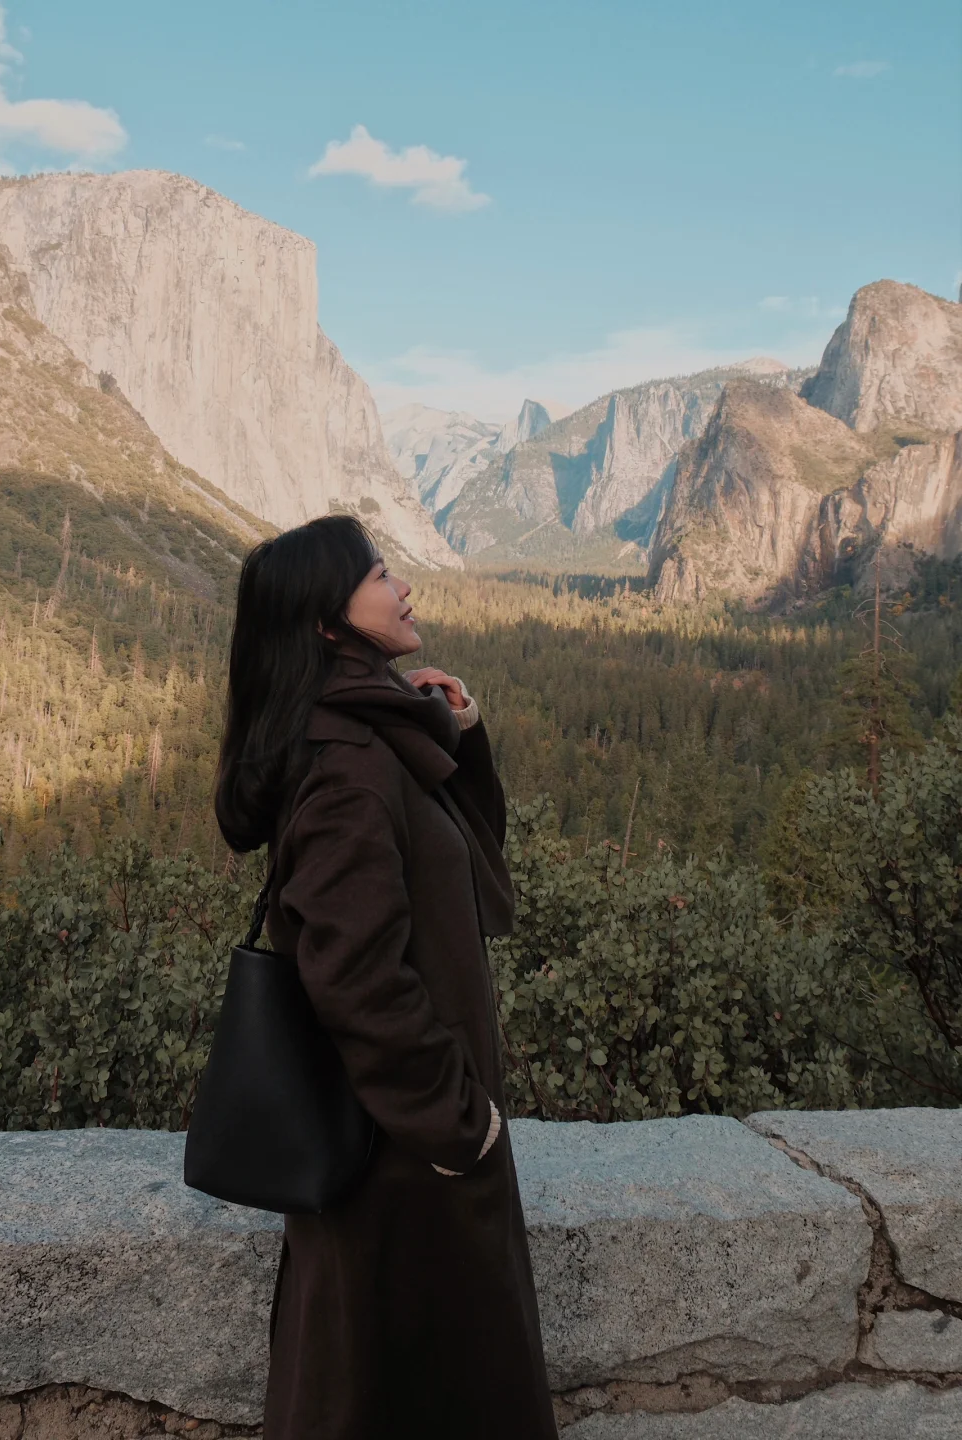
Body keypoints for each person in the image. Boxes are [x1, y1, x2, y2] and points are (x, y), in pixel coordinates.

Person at [215, 514, 559, 1440]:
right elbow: (353, 979)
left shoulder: (369, 731)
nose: (401, 584)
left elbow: (463, 863)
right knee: (394, 1395)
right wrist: (460, 1125)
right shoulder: (347, 768)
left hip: (410, 1157)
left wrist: (464, 733)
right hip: (400, 1171)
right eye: (377, 573)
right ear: (331, 623)